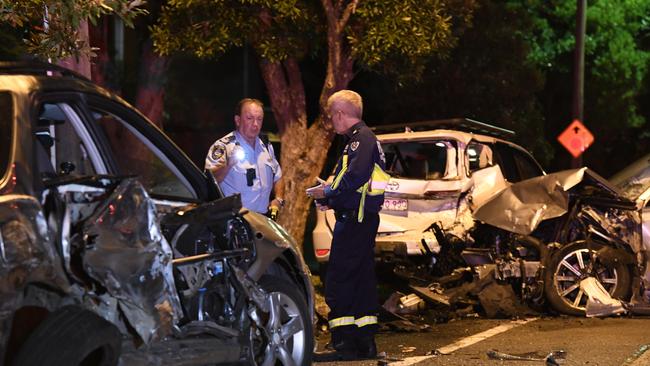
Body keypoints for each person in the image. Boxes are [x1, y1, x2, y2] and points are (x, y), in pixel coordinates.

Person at [306, 90, 389, 361]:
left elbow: (353, 177)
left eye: (331, 116)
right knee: (361, 280)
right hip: (361, 219)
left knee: (339, 280)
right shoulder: (366, 139)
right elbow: (361, 184)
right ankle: (364, 343)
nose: (332, 122)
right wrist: (332, 197)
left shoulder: (359, 141)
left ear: (340, 114)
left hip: (355, 221)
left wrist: (327, 193)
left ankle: (343, 344)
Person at [205, 98, 284, 216]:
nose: (255, 124)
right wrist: (228, 164)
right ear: (238, 120)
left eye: (259, 119)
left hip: (264, 219)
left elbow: (277, 176)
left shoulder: (266, 146)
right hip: (235, 220)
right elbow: (209, 181)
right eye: (249, 118)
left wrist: (278, 199)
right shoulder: (224, 146)